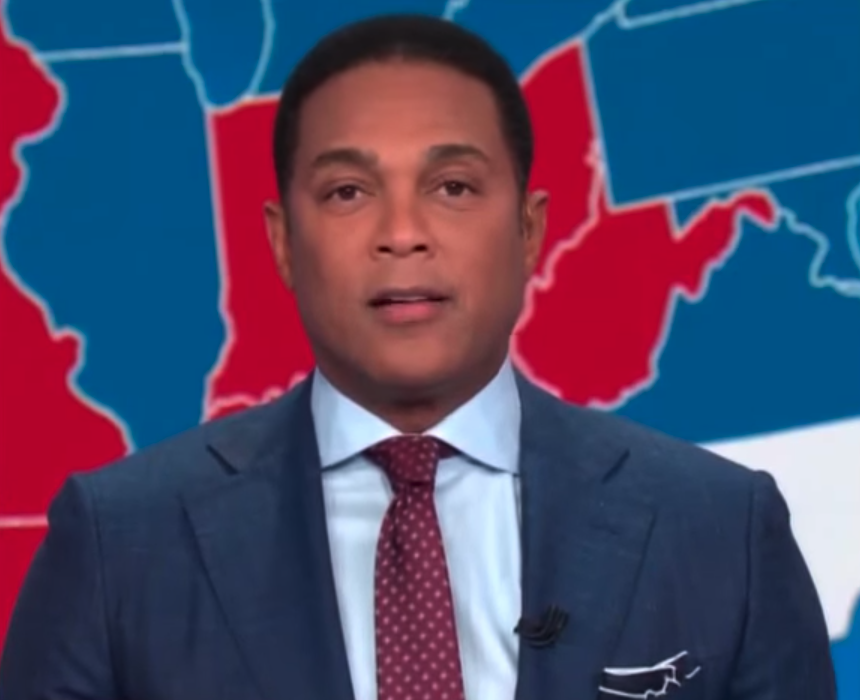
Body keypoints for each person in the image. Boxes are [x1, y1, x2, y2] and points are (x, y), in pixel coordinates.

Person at [0, 14, 835, 700]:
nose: (402, 234)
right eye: (348, 192)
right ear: (282, 243)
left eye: (453, 187)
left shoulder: (721, 532)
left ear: (530, 230)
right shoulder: (118, 545)